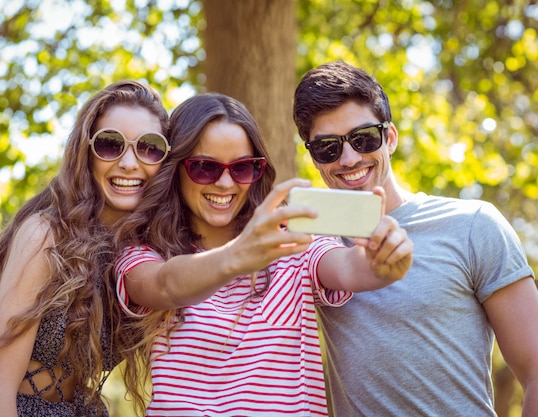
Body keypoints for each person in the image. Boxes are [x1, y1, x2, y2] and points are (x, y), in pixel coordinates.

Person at [114, 93, 413, 416]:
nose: (226, 183)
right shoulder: (142, 255)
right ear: (176, 170)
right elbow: (164, 286)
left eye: (242, 168)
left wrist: (381, 263)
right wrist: (238, 255)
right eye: (205, 167)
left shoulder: (292, 242)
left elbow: (349, 268)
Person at [292, 60, 538, 416]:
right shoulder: (310, 245)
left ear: (389, 138)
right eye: (327, 147)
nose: (348, 158)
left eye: (363, 139)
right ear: (314, 158)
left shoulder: (473, 225)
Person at [0, 80, 170, 417]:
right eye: (111, 144)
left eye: (149, 147)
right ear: (86, 153)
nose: (130, 163)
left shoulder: (144, 258)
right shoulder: (46, 236)